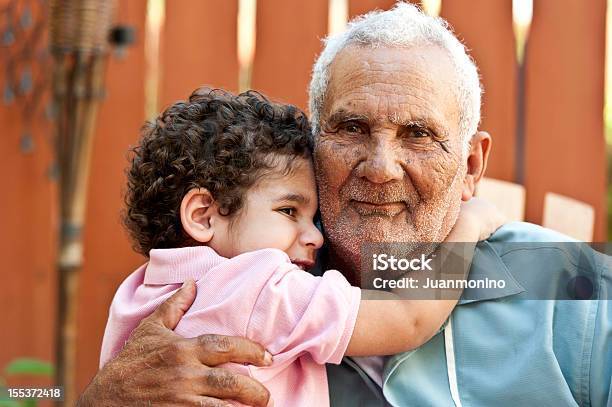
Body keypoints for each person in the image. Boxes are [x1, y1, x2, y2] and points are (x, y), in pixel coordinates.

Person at [79, 3, 611, 406]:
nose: (380, 167)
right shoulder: (255, 279)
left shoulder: (578, 285)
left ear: (471, 166)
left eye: (418, 134)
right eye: (352, 128)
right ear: (314, 145)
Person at [99, 88, 501, 406]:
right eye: (289, 210)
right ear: (204, 215)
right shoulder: (260, 287)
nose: (316, 236)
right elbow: (408, 319)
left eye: (313, 217)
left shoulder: (134, 296)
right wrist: (469, 225)